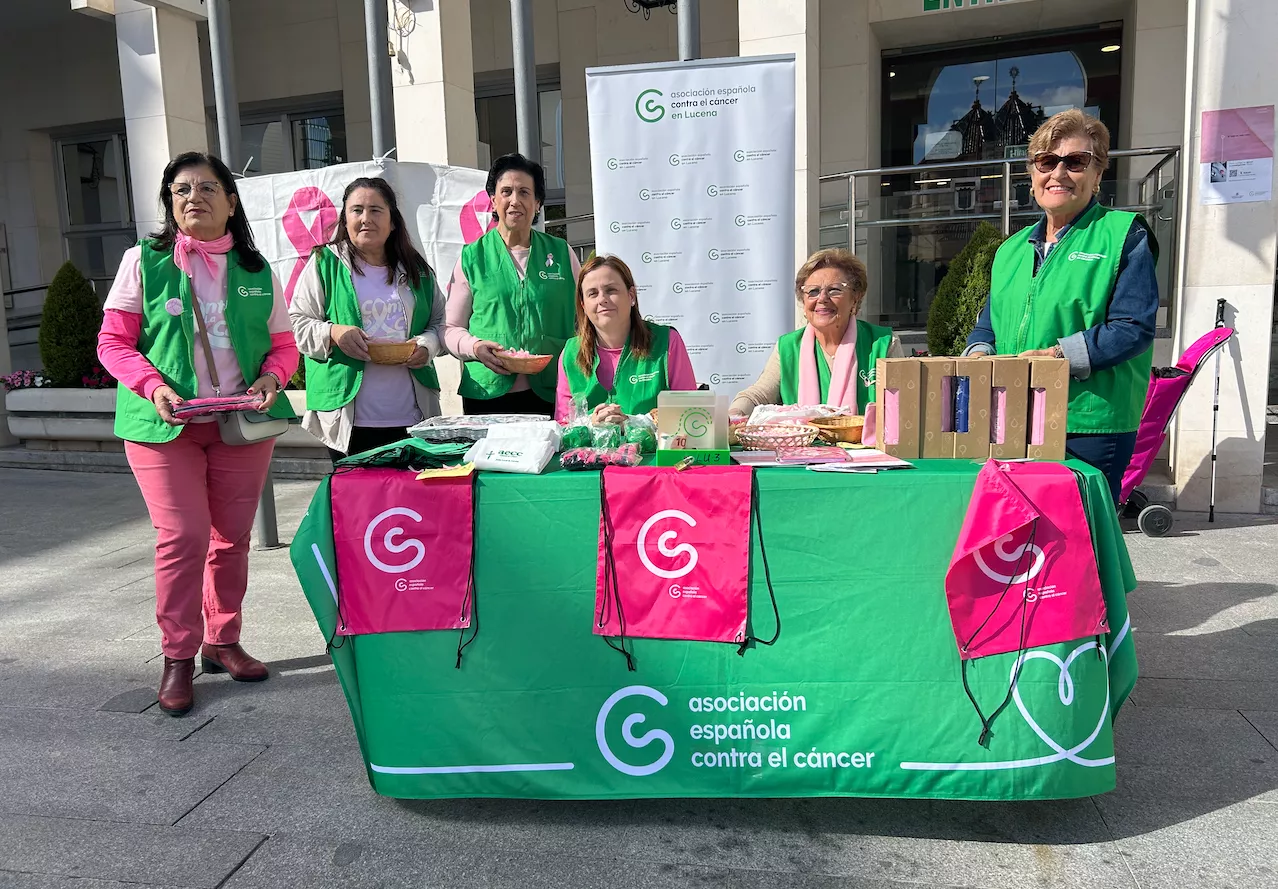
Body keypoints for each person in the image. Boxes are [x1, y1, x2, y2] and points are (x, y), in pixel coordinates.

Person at [96, 151, 298, 717]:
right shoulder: (145, 261)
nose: (194, 197)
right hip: (165, 425)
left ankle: (223, 640)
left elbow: (284, 346)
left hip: (239, 424)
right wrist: (152, 386)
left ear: (231, 202)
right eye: (181, 189)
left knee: (231, 538)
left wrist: (270, 377)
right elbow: (112, 343)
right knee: (183, 536)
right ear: (169, 203)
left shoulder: (258, 271)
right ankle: (178, 655)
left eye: (208, 187)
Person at [965, 109, 1159, 502]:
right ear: (1032, 173)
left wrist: (1057, 357)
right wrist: (979, 354)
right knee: (1016, 542)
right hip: (1012, 415)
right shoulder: (1009, 250)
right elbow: (990, 324)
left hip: (1088, 421)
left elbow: (1132, 327)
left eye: (1075, 162)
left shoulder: (1124, 235)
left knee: (1078, 543)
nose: (1058, 173)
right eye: (1046, 161)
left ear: (1097, 173)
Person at [289, 177, 445, 460]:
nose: (365, 219)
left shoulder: (417, 269)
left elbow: (440, 323)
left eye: (376, 210)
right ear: (344, 219)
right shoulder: (326, 263)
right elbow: (297, 323)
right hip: (347, 419)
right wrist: (333, 333)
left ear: (393, 221)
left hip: (413, 415)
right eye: (356, 210)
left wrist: (427, 345)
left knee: (408, 503)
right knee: (355, 501)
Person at [445, 153, 580, 415]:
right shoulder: (472, 257)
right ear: (493, 201)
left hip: (551, 391)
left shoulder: (562, 253)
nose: (514, 200)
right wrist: (474, 348)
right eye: (506, 191)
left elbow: (586, 319)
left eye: (524, 192)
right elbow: (450, 329)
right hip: (487, 393)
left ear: (538, 203)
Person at [731, 248, 903, 417]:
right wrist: (734, 414)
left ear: (855, 299)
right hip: (803, 444)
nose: (822, 299)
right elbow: (758, 395)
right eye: (813, 291)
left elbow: (900, 409)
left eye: (834, 290)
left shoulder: (884, 343)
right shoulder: (788, 347)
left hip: (868, 445)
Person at [556, 254, 698, 424]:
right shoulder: (570, 353)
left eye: (611, 290)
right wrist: (591, 424)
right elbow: (564, 426)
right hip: (592, 451)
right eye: (592, 294)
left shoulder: (667, 342)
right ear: (583, 305)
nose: (602, 299)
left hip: (652, 451)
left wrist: (633, 423)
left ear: (631, 296)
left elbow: (690, 413)